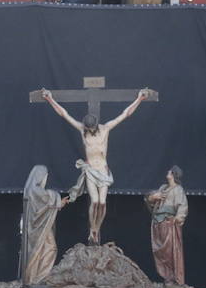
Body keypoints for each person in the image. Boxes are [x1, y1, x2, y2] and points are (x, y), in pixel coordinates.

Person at [41, 85, 147, 245]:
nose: (89, 130)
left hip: (103, 170)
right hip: (91, 171)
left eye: (91, 128)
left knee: (103, 203)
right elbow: (65, 115)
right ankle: (92, 229)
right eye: (88, 128)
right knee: (95, 201)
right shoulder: (82, 130)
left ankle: (97, 228)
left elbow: (125, 114)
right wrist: (49, 99)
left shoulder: (105, 129)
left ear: (96, 125)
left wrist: (139, 99)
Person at [21, 164, 65, 286]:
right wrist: (58, 201)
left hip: (34, 228)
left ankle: (35, 277)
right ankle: (39, 278)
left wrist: (57, 203)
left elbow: (47, 204)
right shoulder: (37, 191)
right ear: (41, 177)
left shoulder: (30, 190)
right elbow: (48, 200)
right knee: (51, 248)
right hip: (40, 228)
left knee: (43, 249)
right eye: (45, 177)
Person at [145, 166, 187, 285]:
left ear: (174, 174)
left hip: (168, 223)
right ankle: (166, 275)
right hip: (157, 222)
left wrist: (177, 218)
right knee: (159, 251)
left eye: (170, 171)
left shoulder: (178, 190)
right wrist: (152, 198)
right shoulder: (163, 188)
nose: (167, 172)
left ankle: (172, 277)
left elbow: (182, 206)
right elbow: (152, 200)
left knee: (168, 251)